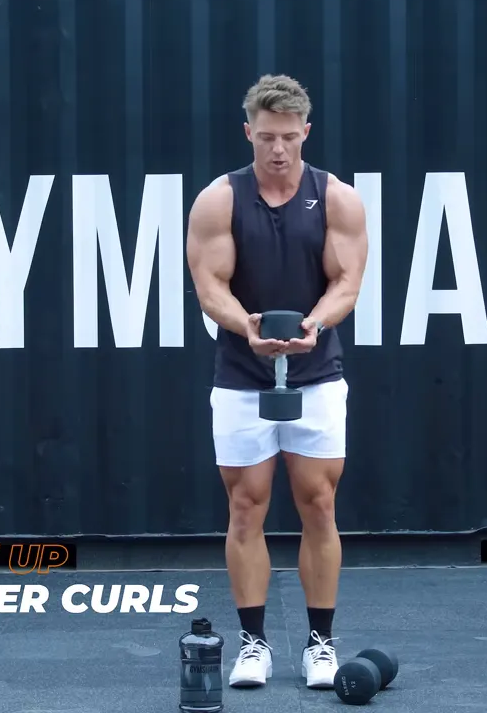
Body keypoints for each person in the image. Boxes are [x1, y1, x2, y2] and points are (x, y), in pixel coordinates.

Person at [186, 74, 368, 691]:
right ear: (249, 134)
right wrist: (247, 327)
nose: (279, 149)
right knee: (245, 507)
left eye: (290, 137)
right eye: (267, 137)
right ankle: (253, 643)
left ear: (306, 132)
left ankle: (320, 643)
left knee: (319, 504)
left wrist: (314, 324)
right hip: (241, 375)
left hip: (316, 373)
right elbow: (210, 286)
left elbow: (346, 282)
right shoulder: (219, 200)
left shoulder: (337, 199)